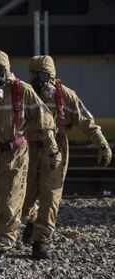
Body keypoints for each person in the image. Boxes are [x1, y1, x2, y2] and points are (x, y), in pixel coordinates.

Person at [0, 51, 61, 267]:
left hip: (16, 153)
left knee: (10, 201)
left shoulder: (21, 90)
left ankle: (0, 249)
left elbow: (44, 119)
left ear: (6, 70)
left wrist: (52, 149)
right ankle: (8, 227)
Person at [21, 55, 112, 259]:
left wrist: (102, 145)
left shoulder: (65, 96)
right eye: (34, 75)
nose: (37, 80)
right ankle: (33, 219)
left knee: (51, 196)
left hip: (56, 151)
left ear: (51, 76)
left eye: (42, 75)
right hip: (29, 149)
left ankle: (40, 241)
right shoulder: (25, 94)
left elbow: (87, 121)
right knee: (25, 196)